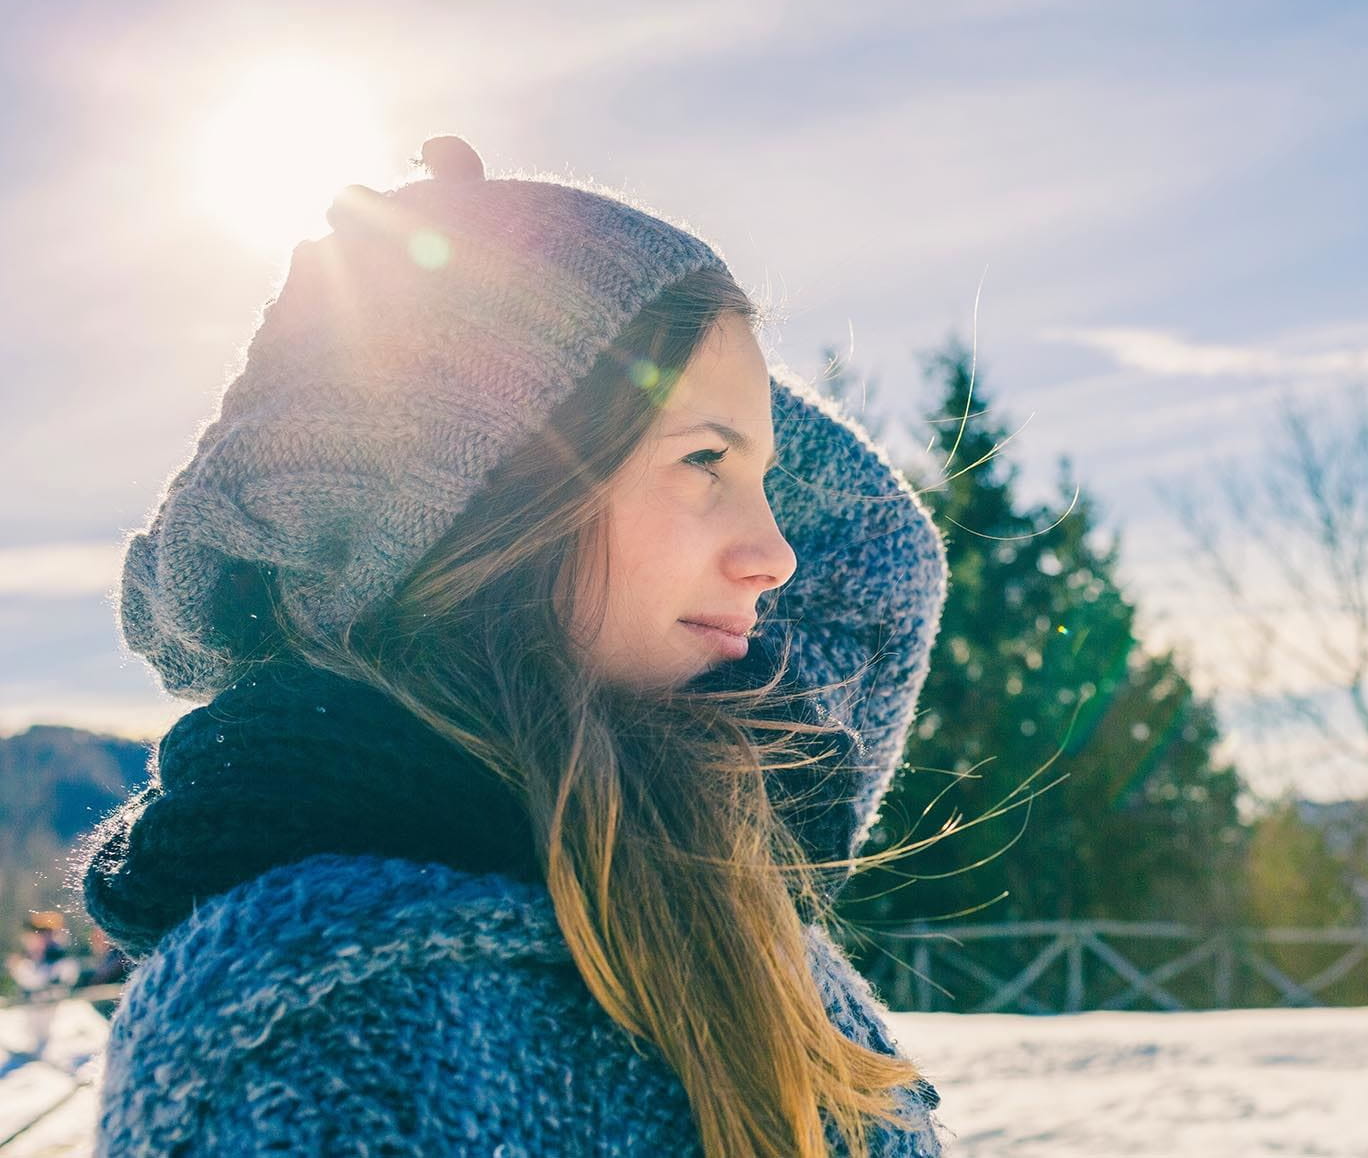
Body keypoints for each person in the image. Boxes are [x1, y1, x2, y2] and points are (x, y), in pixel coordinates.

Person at [76, 135, 953, 1156]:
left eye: (759, 473)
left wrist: (498, 305)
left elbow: (878, 562)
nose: (775, 556)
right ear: (495, 494)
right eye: (706, 461)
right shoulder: (313, 1023)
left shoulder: (705, 878)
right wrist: (472, 339)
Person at [3, 912, 81, 1075]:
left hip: (55, 1018)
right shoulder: (30, 959)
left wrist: (20, 969)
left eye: (40, 934)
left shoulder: (60, 958)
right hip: (31, 1018)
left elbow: (46, 982)